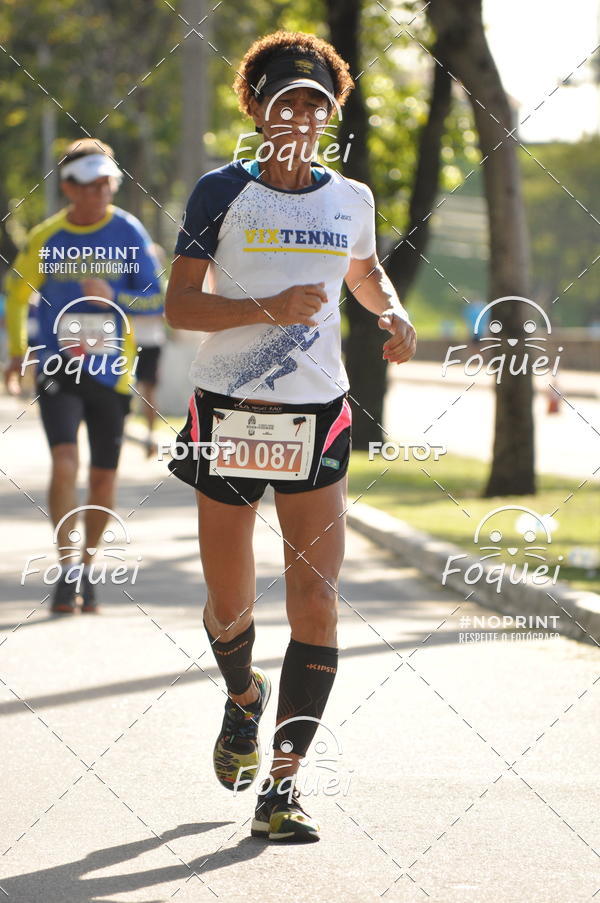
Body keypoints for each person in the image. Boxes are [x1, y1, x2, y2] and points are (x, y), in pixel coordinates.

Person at [166, 31, 416, 843]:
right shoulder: (218, 192)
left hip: (317, 412)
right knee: (230, 603)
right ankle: (243, 696)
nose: (300, 114)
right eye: (286, 99)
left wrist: (390, 308)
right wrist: (263, 310)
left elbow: (364, 268)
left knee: (315, 600)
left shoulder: (350, 197)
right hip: (228, 409)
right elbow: (181, 306)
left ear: (329, 116)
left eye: (316, 102)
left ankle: (281, 787)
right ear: (258, 107)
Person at [4, 139, 163, 614]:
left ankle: (89, 568)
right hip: (58, 365)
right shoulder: (46, 236)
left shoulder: (129, 232)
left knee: (101, 479)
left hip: (112, 371)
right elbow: (16, 294)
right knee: (65, 461)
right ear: (69, 188)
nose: (100, 193)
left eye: (107, 184)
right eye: (90, 185)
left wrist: (115, 295)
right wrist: (17, 352)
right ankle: (66, 566)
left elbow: (158, 301)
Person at [134, 244, 167, 457]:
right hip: (129, 342)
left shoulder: (162, 286)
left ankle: (150, 436)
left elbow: (165, 315)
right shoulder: (133, 281)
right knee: (124, 390)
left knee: (148, 391)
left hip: (152, 343)